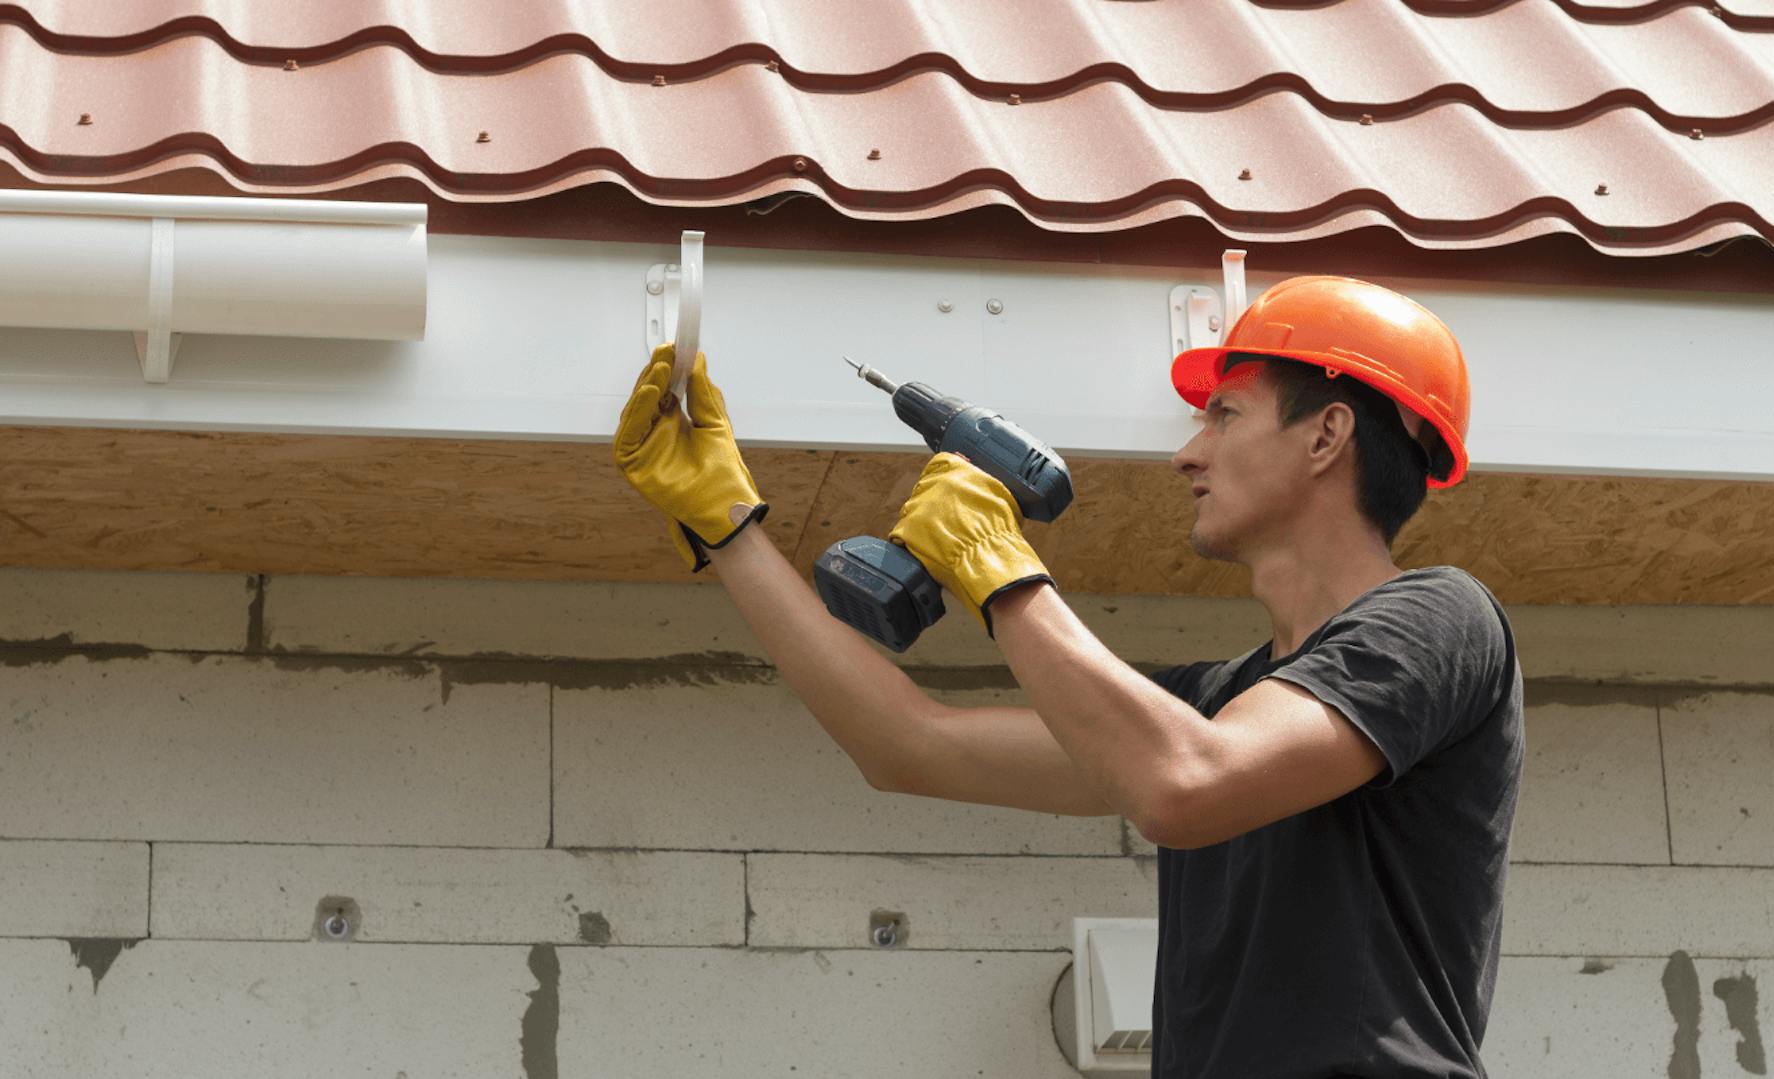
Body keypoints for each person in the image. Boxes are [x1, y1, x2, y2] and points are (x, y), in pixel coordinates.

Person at [613, 274, 1524, 1079]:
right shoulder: (1211, 706)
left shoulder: (1444, 619)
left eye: (1226, 413)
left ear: (1328, 433)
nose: (1187, 454)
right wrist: (727, 523)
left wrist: (998, 566)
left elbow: (1188, 784)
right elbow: (905, 744)